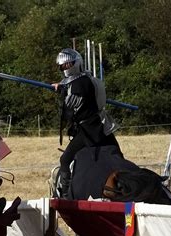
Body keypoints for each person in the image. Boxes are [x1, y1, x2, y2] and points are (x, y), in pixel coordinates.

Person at [52, 48, 121, 198]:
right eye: (63, 66)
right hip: (99, 126)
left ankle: (64, 194)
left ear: (76, 63)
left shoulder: (79, 83)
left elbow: (69, 108)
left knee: (65, 160)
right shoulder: (86, 78)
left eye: (68, 64)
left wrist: (62, 92)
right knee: (118, 156)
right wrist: (62, 88)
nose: (65, 68)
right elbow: (71, 88)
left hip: (88, 130)